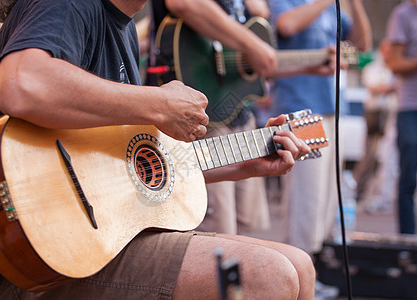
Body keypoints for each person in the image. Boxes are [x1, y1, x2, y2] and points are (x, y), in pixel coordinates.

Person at [0, 0, 317, 299]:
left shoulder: (125, 28)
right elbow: (21, 84)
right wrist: (157, 102)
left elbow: (127, 170)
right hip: (30, 263)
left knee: (300, 265)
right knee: (269, 275)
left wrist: (242, 163)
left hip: (97, 244)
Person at [146, 0, 336, 236]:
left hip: (238, 116)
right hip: (198, 118)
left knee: (246, 236)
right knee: (217, 240)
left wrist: (310, 65)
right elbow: (184, 2)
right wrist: (252, 46)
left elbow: (251, 62)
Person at [267, 0, 371, 297]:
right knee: (306, 195)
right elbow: (286, 25)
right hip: (301, 110)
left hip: (331, 109)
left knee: (325, 198)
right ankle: (295, 274)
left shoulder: (330, 9)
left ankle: (308, 272)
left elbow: (361, 44)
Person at [385, 0, 417, 234]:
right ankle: (407, 242)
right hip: (413, 108)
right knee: (408, 179)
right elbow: (394, 64)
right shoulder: (404, 14)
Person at [351, 39, 398, 213]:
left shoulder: (392, 68)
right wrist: (391, 87)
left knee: (386, 157)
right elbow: (375, 89)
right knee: (369, 156)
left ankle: (379, 196)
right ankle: (357, 193)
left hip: (390, 115)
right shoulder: (373, 68)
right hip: (375, 116)